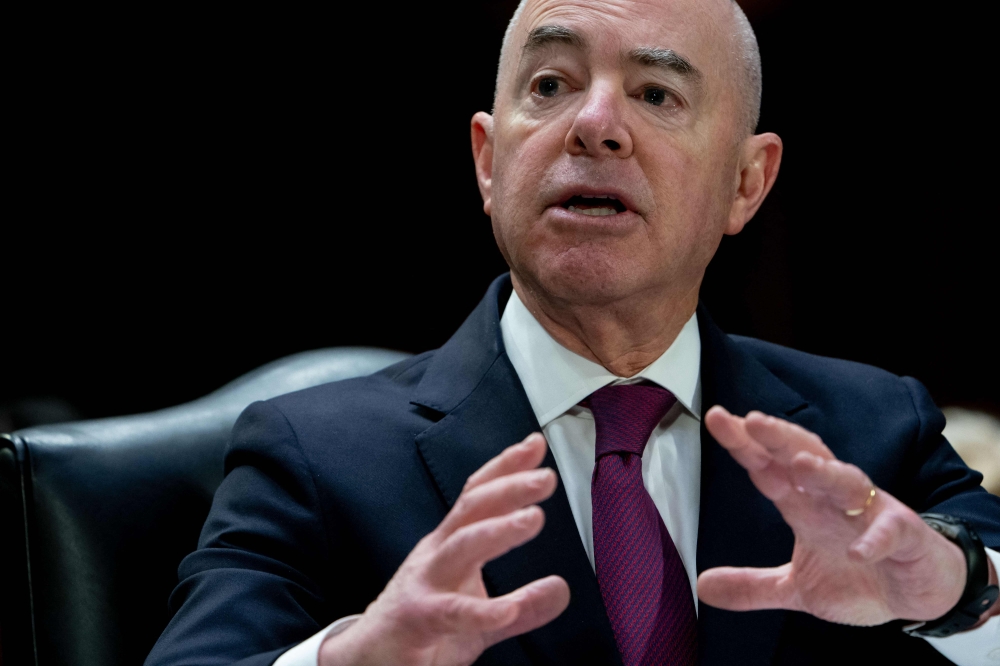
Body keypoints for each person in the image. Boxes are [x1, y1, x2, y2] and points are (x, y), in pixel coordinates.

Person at [145, 0, 1000, 664]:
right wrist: (356, 656)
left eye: (656, 93)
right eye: (550, 85)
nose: (595, 124)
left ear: (748, 182)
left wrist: (957, 588)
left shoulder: (872, 431)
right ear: (488, 160)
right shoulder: (313, 456)